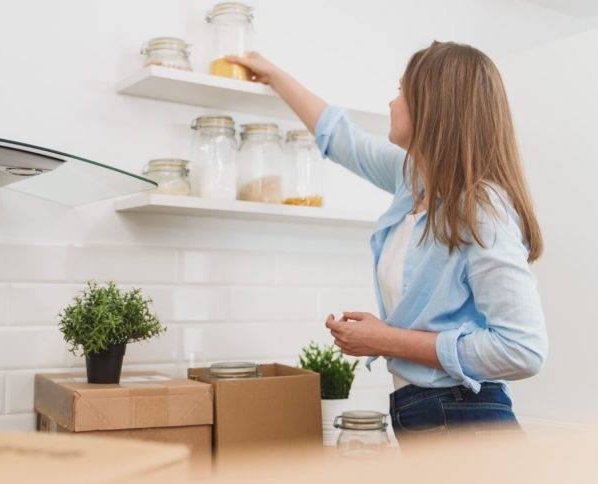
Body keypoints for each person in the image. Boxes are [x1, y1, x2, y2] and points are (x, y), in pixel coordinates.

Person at [227, 42, 548, 444]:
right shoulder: (413, 179)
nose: (392, 101)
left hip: (468, 425)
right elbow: (342, 139)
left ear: (431, 107)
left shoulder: (482, 209)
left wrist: (384, 339)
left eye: (401, 91)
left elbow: (523, 349)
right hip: (429, 417)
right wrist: (272, 74)